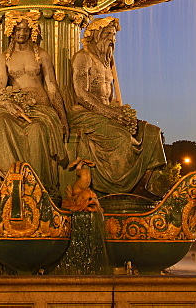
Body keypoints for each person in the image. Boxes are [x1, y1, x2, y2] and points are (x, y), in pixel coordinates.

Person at [68, 17, 166, 195]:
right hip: (85, 113)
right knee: (121, 138)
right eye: (108, 34)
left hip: (107, 112)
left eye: (114, 35)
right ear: (97, 36)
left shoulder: (108, 62)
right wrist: (110, 113)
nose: (112, 39)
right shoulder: (83, 57)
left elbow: (111, 96)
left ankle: (143, 185)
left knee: (152, 132)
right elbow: (81, 93)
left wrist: (120, 111)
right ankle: (117, 188)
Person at [0, 11, 68, 193]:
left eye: (26, 29)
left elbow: (52, 86)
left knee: (37, 130)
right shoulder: (4, 57)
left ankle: (38, 185)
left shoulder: (41, 55)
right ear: (11, 31)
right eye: (18, 29)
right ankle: (10, 180)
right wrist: (7, 104)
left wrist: (63, 118)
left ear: (32, 32)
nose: (22, 33)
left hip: (40, 108)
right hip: (14, 106)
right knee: (0, 123)